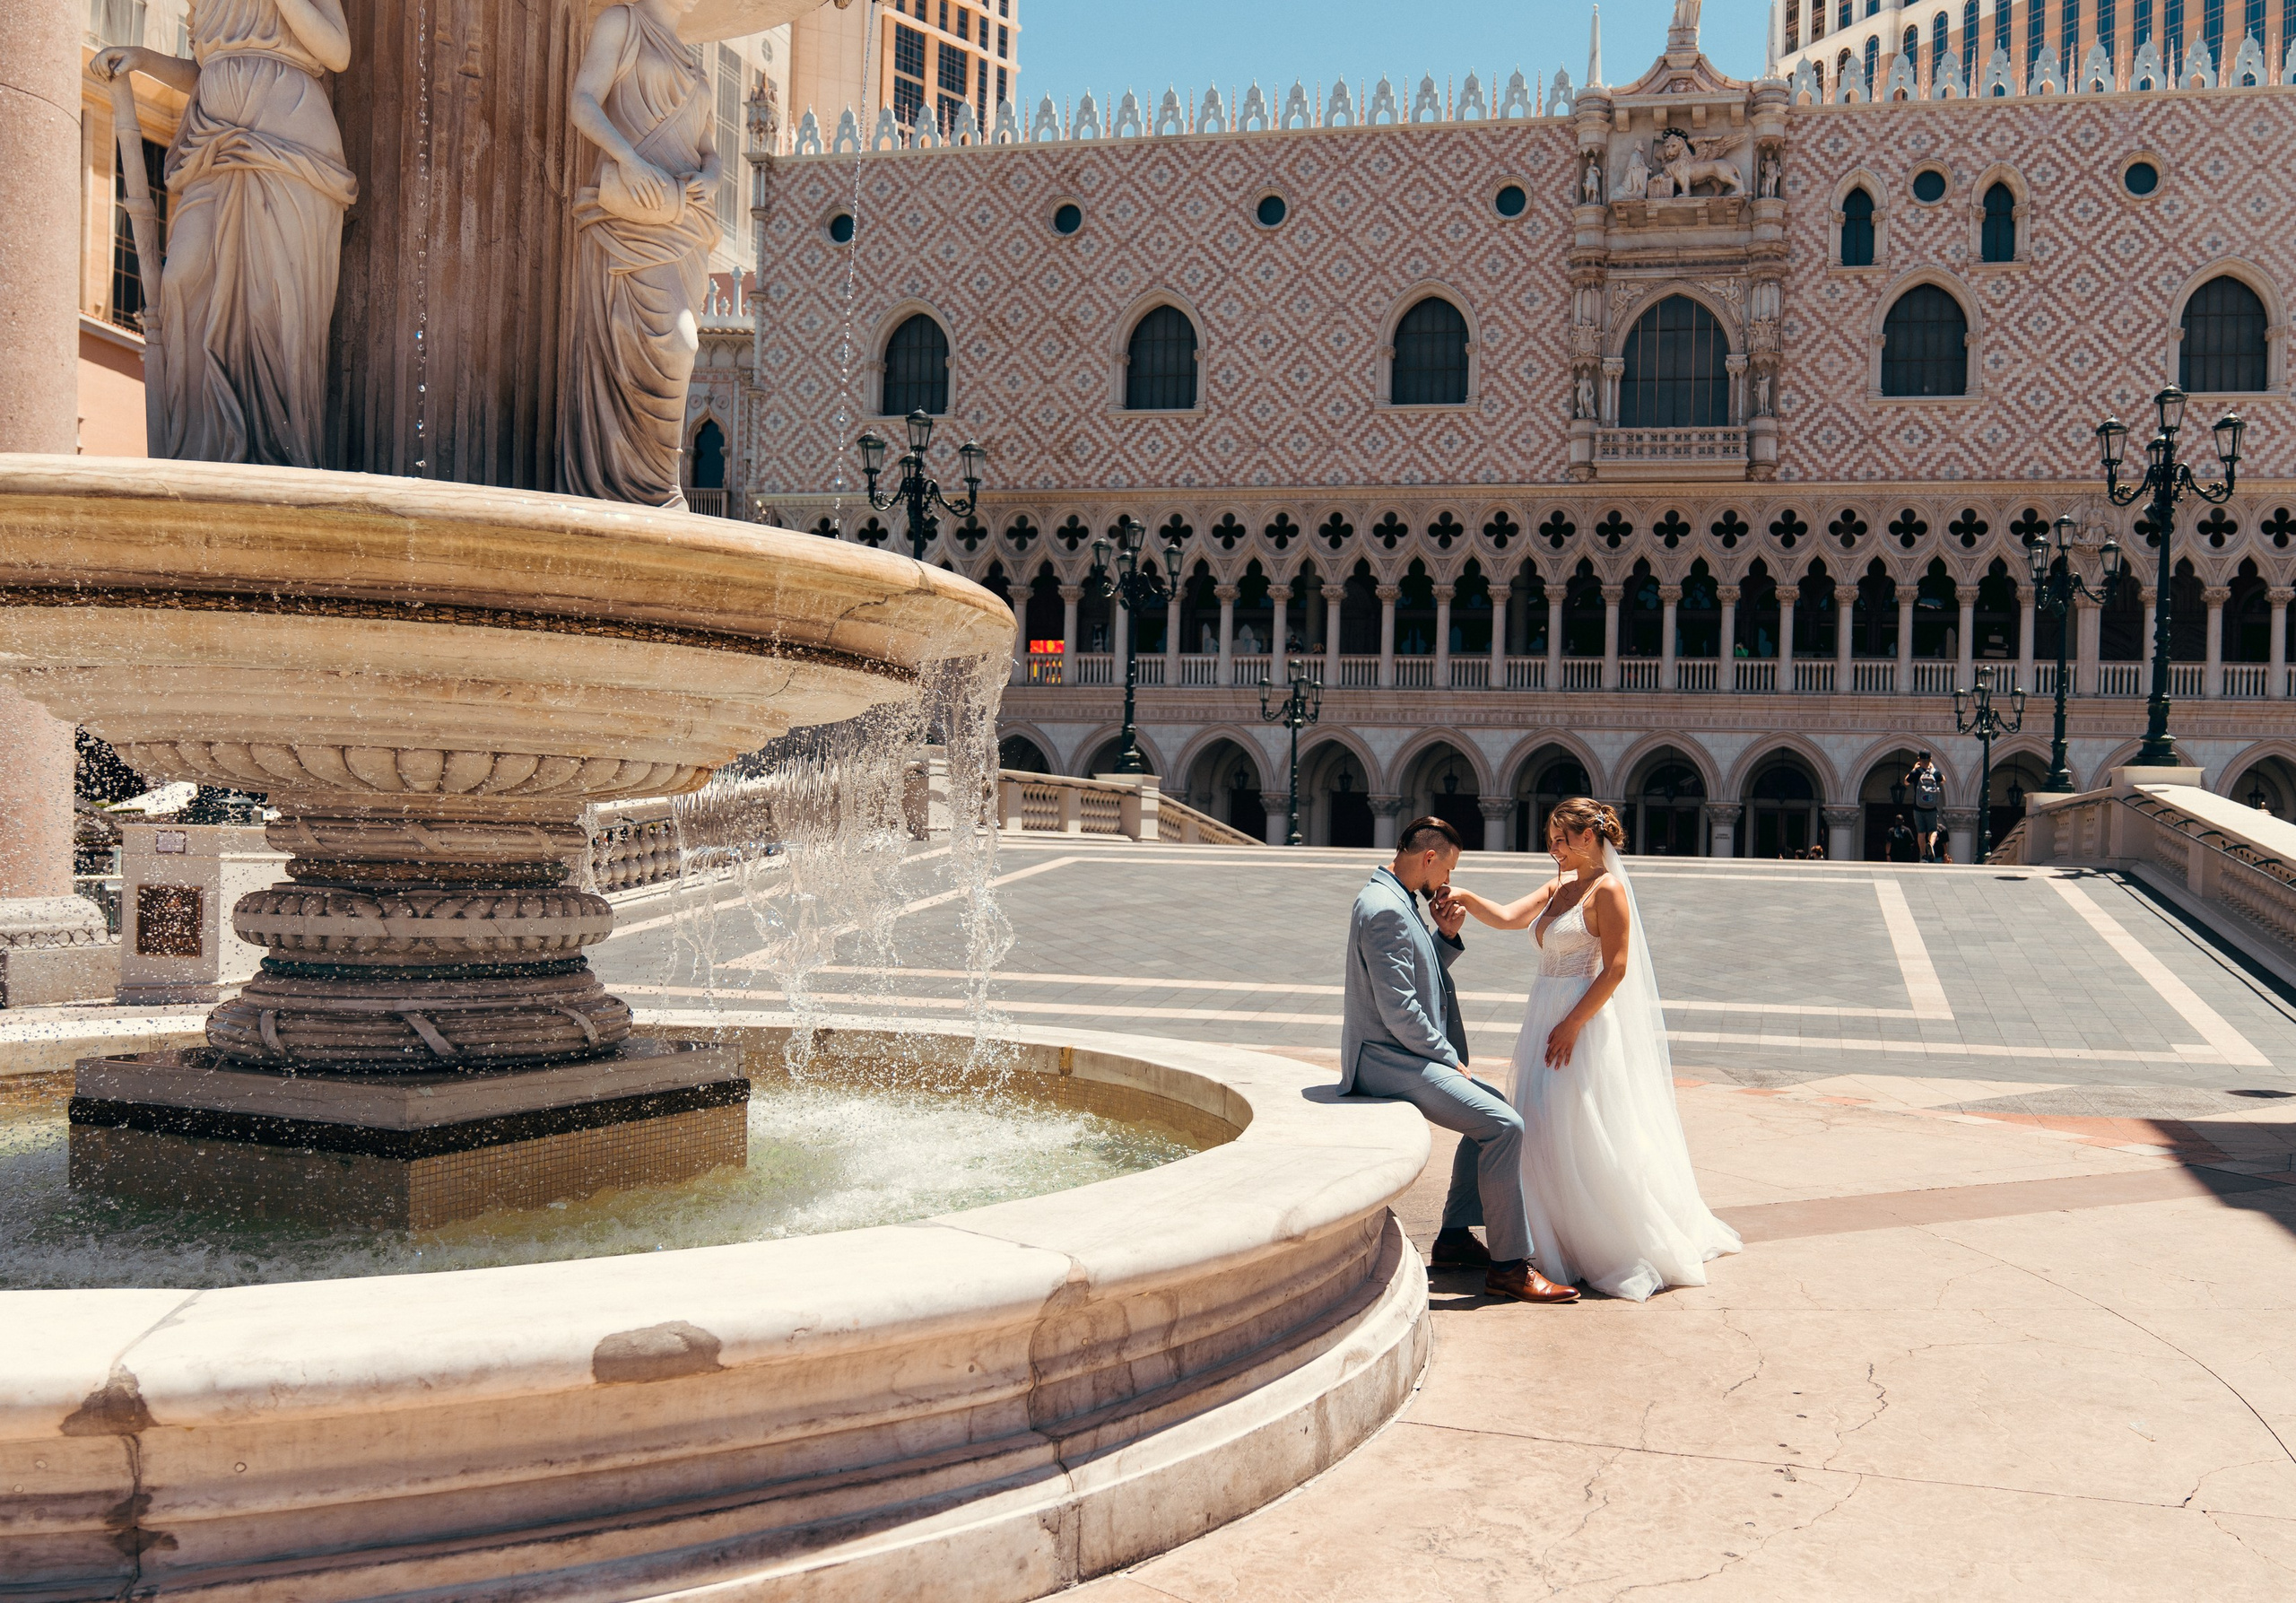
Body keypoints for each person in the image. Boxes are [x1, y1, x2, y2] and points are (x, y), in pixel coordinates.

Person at [1447, 798, 1742, 1301]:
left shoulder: (1609, 891)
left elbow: (1617, 968)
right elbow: (1508, 918)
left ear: (1589, 837)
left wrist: (1572, 1024)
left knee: (1577, 1124)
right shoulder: (1557, 887)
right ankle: (1544, 1237)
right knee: (1539, 1124)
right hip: (1544, 1016)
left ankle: (1597, 1239)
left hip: (1581, 1024)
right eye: (1550, 839)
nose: (1553, 848)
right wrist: (1465, 898)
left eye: (1562, 839)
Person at [91, 0, 359, 466]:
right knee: (182, 279)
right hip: (211, 140)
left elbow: (336, 54)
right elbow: (207, 71)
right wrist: (144, 59)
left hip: (288, 137)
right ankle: (198, 449)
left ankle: (282, 455)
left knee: (274, 301)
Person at [1342, 816, 1578, 1304]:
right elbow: (1399, 1009)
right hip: (1388, 1059)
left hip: (1397, 1052)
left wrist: (1444, 939)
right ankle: (1509, 1266)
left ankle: (1452, 1240)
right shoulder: (1384, 907)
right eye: (1447, 868)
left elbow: (1410, 977)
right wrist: (1447, 1058)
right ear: (1429, 857)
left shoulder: (1396, 897)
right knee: (1504, 1125)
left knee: (1489, 1106)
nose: (1447, 882)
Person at [561, 0, 723, 508]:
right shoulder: (621, 23)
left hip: (686, 225)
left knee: (680, 347)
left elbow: (709, 147)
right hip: (631, 217)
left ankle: (658, 486)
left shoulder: (694, 60)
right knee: (675, 344)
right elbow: (583, 100)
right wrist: (626, 159)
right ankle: (629, 486)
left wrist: (711, 177)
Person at [1905, 753, 1944, 862]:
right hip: (1931, 807)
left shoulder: (1916, 772)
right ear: (1930, 759)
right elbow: (1943, 780)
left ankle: (1923, 856)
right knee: (1933, 830)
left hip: (1918, 807)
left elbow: (1906, 782)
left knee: (1921, 832)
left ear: (1919, 759)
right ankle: (1931, 844)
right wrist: (1934, 769)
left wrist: (1914, 769)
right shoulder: (1935, 773)